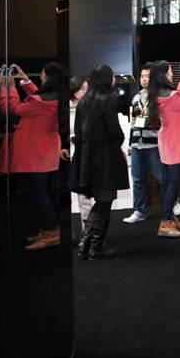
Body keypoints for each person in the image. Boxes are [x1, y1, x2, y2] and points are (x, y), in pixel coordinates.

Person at [0, 62, 69, 251]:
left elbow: (11, 108)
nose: (41, 76)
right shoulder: (57, 97)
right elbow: (37, 97)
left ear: (49, 77)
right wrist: (24, 80)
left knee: (39, 192)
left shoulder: (40, 101)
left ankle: (51, 232)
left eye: (43, 73)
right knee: (49, 191)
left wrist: (8, 89)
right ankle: (52, 228)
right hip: (49, 152)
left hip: (37, 153)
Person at [72, 64, 129, 260]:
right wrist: (119, 141)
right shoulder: (108, 100)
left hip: (87, 158)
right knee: (105, 200)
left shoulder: (84, 101)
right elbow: (114, 130)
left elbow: (78, 132)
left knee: (100, 200)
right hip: (105, 156)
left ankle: (87, 246)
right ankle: (95, 248)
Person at [147, 60, 180, 237]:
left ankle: (168, 216)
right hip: (175, 142)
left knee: (167, 182)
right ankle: (165, 223)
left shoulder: (158, 94)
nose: (171, 74)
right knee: (173, 182)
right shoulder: (170, 96)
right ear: (163, 75)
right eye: (169, 72)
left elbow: (178, 95)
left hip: (167, 141)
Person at [123, 63, 167, 224]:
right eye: (142, 76)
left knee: (160, 178)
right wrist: (131, 142)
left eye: (147, 76)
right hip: (137, 145)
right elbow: (134, 122)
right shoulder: (136, 97)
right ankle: (139, 211)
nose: (144, 79)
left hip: (153, 144)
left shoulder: (160, 97)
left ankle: (169, 207)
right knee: (137, 179)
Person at [69, 76, 93, 236]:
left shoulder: (90, 107)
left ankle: (87, 233)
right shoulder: (66, 108)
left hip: (84, 154)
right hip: (67, 154)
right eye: (81, 88)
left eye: (86, 88)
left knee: (84, 195)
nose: (84, 91)